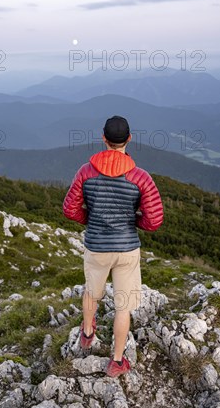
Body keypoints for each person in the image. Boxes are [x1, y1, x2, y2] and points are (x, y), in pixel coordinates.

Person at [62, 115, 164, 378]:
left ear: (103, 138)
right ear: (129, 139)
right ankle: (116, 362)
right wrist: (133, 221)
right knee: (122, 306)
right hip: (127, 249)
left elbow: (70, 209)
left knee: (91, 293)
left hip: (96, 246)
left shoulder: (86, 171)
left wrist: (91, 218)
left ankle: (87, 333)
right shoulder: (140, 177)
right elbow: (154, 221)